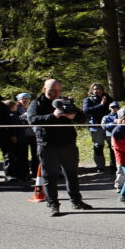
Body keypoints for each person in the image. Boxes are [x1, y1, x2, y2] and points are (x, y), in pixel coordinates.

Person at [26, 78, 92, 216]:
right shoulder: (36, 103)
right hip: (47, 145)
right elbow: (32, 120)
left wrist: (73, 116)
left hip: (68, 144)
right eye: (52, 91)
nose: (56, 93)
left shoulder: (65, 101)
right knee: (49, 176)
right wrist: (52, 116)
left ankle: (76, 201)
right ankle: (53, 204)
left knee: (72, 174)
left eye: (58, 90)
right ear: (44, 89)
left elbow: (83, 118)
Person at [82, 83, 115, 173]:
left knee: (112, 145)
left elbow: (115, 108)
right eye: (95, 89)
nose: (97, 91)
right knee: (98, 146)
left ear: (102, 90)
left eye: (99, 89)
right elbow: (86, 110)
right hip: (95, 127)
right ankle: (100, 166)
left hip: (108, 126)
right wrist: (101, 105)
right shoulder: (88, 100)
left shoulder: (108, 99)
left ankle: (114, 165)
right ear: (92, 90)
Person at [15, 92, 37, 180]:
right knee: (23, 154)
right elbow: (14, 119)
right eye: (22, 99)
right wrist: (23, 116)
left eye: (27, 99)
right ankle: (24, 174)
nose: (25, 100)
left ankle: (36, 172)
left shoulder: (33, 107)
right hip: (22, 134)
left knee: (36, 154)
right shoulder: (15, 108)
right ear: (18, 100)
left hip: (34, 134)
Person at [101, 101, 122, 189]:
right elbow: (104, 126)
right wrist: (114, 122)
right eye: (113, 107)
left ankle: (120, 165)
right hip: (110, 136)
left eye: (116, 107)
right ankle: (113, 166)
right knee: (112, 151)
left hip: (121, 135)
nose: (115, 108)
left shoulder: (121, 115)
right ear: (110, 108)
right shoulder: (106, 117)